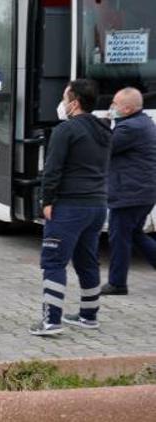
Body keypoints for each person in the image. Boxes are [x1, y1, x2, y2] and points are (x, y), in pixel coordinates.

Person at [30, 79, 112, 336]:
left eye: (65, 98)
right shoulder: (104, 130)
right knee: (87, 261)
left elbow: (53, 169)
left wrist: (47, 201)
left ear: (74, 103)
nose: (63, 103)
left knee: (53, 262)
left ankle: (51, 321)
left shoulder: (66, 130)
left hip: (68, 206)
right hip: (97, 206)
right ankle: (89, 316)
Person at [100, 87, 156, 296]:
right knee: (134, 234)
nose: (111, 106)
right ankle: (117, 282)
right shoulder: (142, 121)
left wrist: (105, 122)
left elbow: (105, 147)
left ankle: (117, 283)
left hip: (130, 193)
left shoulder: (129, 128)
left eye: (115, 103)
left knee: (119, 237)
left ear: (128, 108)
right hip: (141, 191)